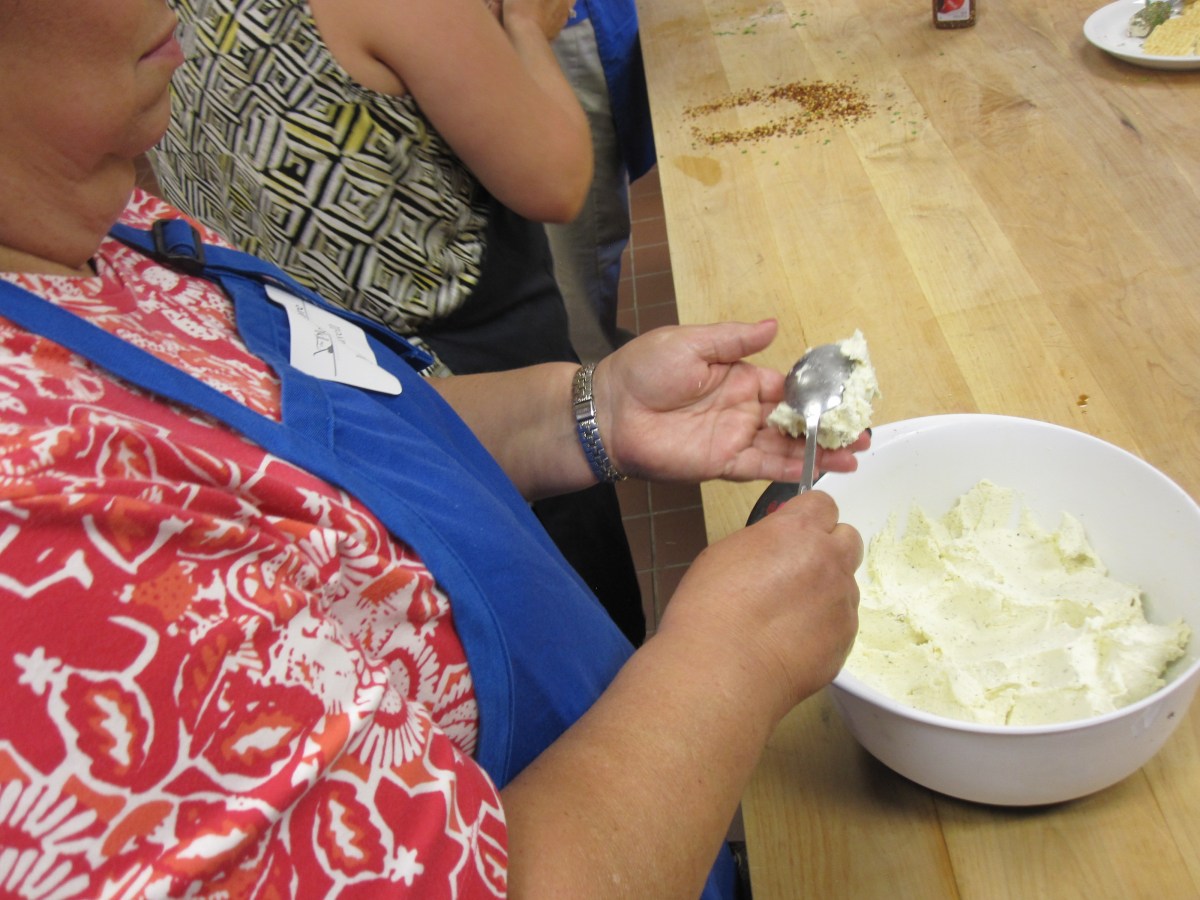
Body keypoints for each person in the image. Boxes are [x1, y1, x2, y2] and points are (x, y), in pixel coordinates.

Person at [0, 2, 869, 896]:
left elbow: (317, 458)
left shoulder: (80, 229)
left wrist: (589, 409)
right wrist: (731, 664)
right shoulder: (37, 546)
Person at [151, 0, 647, 644]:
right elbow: (554, 179)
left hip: (298, 355)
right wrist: (526, 27)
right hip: (453, 356)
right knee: (569, 616)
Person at [548, 0, 656, 363]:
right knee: (580, 237)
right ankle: (591, 372)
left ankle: (596, 353)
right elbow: (563, 198)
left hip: (586, 19)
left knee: (594, 228)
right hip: (556, 30)